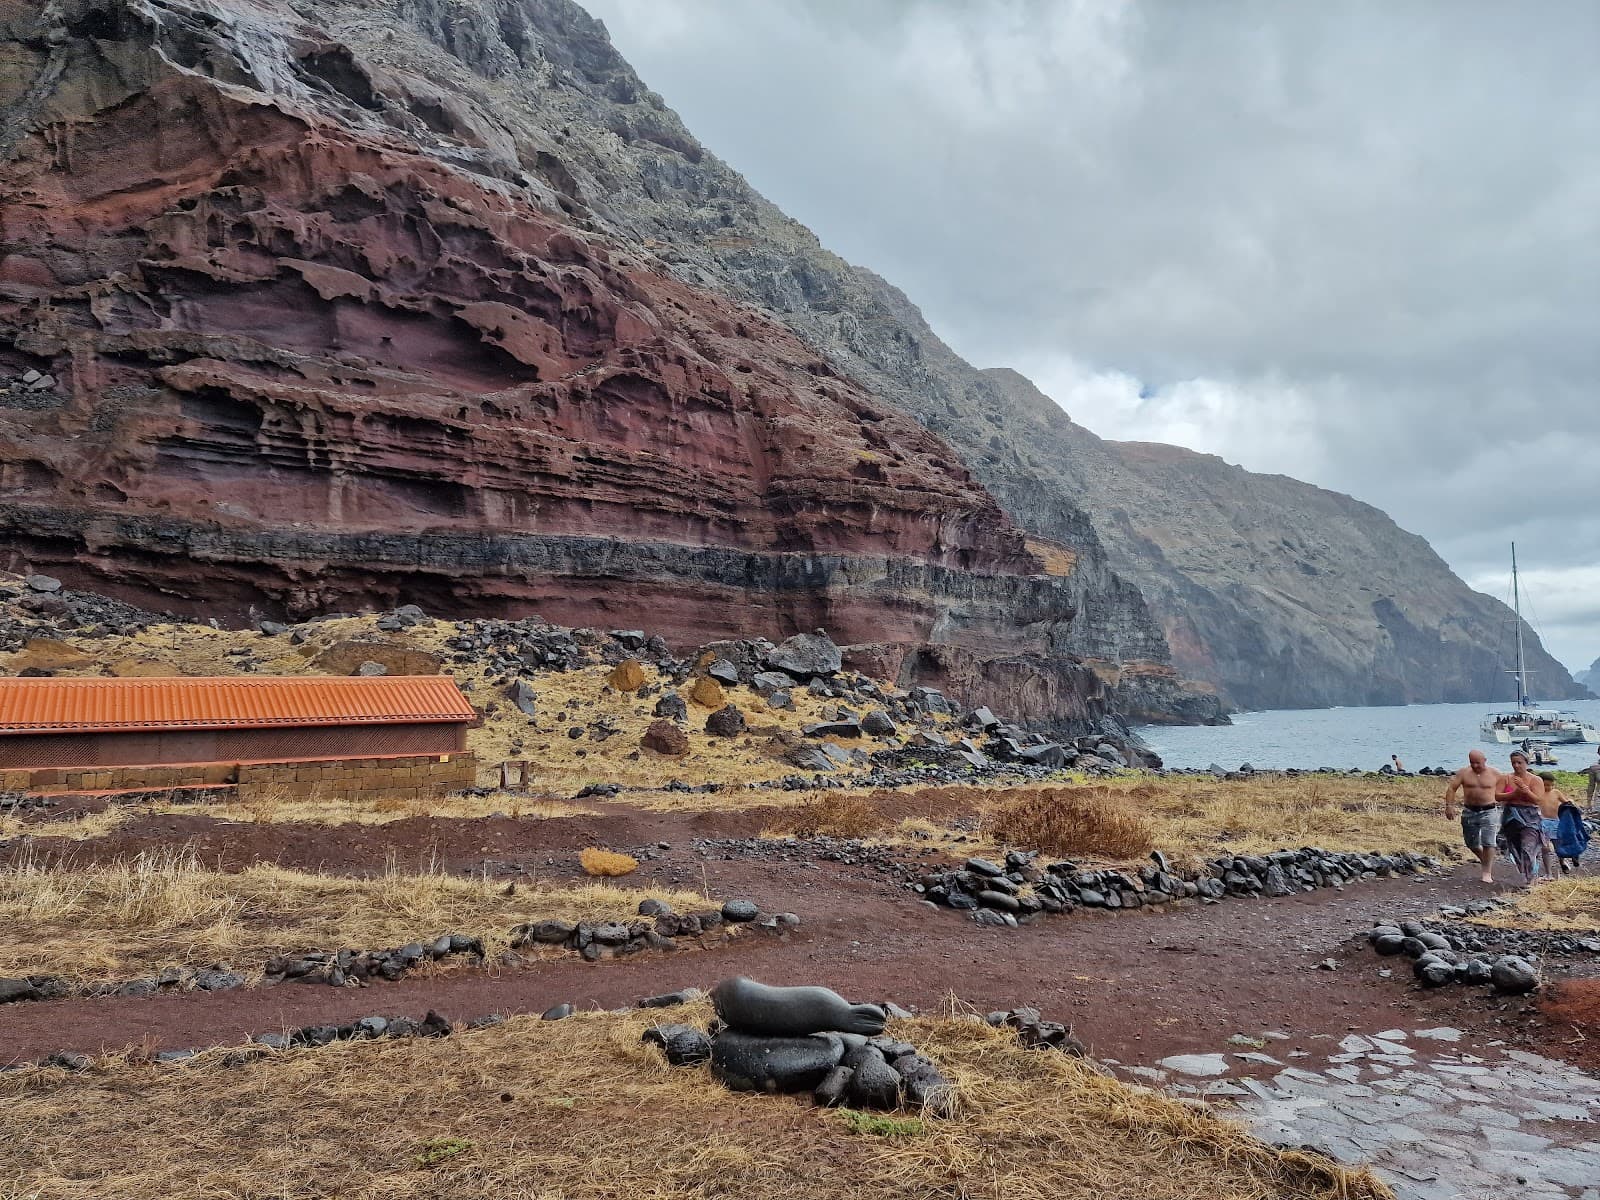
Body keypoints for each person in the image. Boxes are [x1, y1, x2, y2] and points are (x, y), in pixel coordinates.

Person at [1444, 751, 1503, 883]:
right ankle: (1486, 860)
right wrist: (1449, 806)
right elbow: (1452, 788)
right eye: (1472, 762)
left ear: (1485, 760)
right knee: (1471, 843)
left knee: (1488, 841)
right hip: (1470, 811)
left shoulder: (1495, 773)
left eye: (1478, 763)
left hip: (1489, 811)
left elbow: (1507, 789)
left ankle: (1486, 872)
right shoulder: (1464, 773)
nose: (1475, 765)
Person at [1496, 750, 1547, 886]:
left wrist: (1525, 790)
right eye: (1513, 763)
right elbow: (1497, 796)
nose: (1516, 766)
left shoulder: (1535, 780)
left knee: (1528, 847)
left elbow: (1538, 800)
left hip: (1530, 817)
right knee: (1515, 847)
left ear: (1526, 762)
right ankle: (1525, 873)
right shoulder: (1505, 778)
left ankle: (1530, 879)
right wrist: (1514, 793)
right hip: (1511, 816)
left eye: (1519, 762)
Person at [1535, 772, 1565, 881]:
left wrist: (1571, 804)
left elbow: (1566, 803)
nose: (1549, 787)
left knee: (1559, 848)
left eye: (1551, 785)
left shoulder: (1556, 792)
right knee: (1545, 848)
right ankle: (1548, 874)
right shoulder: (1537, 793)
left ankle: (1562, 861)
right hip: (1542, 823)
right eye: (1546, 785)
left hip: (1556, 822)